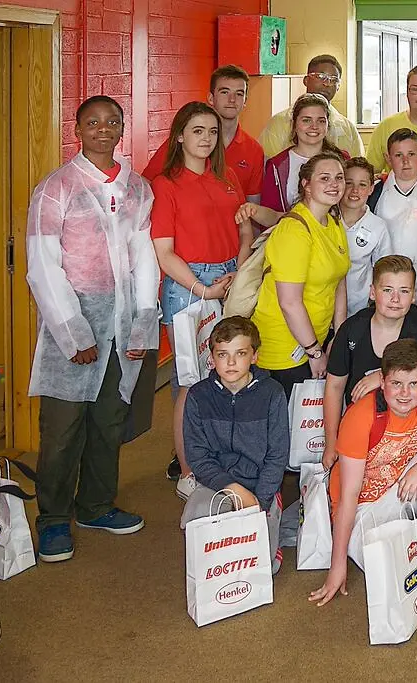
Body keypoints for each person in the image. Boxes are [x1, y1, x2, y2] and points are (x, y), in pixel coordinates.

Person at [27, 95, 159, 562]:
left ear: (122, 128)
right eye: (92, 122)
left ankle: (96, 505)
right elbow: (43, 266)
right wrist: (73, 332)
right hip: (77, 325)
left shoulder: (137, 188)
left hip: (122, 326)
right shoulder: (57, 188)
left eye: (112, 122)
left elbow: (144, 258)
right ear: (78, 129)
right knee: (62, 429)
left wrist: (143, 324)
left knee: (108, 421)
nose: (103, 129)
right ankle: (53, 519)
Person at [309, 339, 417, 606]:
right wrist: (337, 565)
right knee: (394, 572)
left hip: (401, 492)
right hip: (363, 510)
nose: (404, 393)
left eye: (413, 384)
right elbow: (349, 496)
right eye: (396, 383)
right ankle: (404, 542)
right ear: (382, 381)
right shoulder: (361, 415)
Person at [151, 101, 254, 500]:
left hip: (228, 280)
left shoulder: (227, 179)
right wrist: (203, 288)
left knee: (226, 374)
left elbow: (244, 233)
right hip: (188, 287)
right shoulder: (167, 184)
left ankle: (218, 456)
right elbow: (164, 252)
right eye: (197, 131)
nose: (207, 139)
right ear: (179, 135)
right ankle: (190, 469)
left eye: (212, 132)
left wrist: (237, 277)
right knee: (190, 384)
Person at [180, 316, 288, 574]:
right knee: (196, 523)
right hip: (217, 482)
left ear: (254, 357)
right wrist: (233, 489)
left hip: (260, 482)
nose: (230, 363)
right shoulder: (198, 396)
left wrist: (259, 499)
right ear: (212, 357)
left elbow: (277, 456)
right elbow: (197, 455)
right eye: (222, 354)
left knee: (264, 567)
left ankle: (274, 518)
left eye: (240, 353)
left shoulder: (272, 393)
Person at [322, 256, 417, 466]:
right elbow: (334, 387)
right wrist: (331, 441)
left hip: (409, 435)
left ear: (414, 295)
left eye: (404, 291)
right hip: (360, 433)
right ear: (373, 292)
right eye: (387, 290)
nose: (395, 299)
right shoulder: (353, 329)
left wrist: (381, 379)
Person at [250, 151, 351, 397]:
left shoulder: (333, 223)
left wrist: (338, 336)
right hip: (285, 346)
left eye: (339, 178)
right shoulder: (294, 230)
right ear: (306, 184)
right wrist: (314, 351)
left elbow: (339, 282)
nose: (334, 184)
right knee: (286, 425)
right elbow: (289, 302)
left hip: (315, 338)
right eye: (324, 178)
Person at [143, 64, 265, 203]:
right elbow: (146, 184)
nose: (232, 99)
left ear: (245, 101)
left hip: (231, 223)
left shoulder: (254, 150)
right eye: (225, 92)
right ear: (211, 98)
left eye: (239, 93)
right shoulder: (185, 142)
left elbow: (253, 206)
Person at [369, 128, 417, 314]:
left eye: (411, 154)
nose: (406, 161)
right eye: (398, 155)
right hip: (385, 290)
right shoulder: (376, 192)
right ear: (388, 159)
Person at [259, 94, 347, 218]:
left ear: (328, 125)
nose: (314, 126)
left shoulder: (342, 160)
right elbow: (269, 214)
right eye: (306, 120)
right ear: (294, 125)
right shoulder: (277, 166)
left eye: (321, 121)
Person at [259, 53, 364, 159]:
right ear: (306, 80)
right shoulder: (280, 122)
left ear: (338, 86)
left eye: (333, 80)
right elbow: (269, 166)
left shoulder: (348, 128)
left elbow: (358, 169)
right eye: (320, 77)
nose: (326, 84)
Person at [341, 157, 393, 316]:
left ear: (371, 188)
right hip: (320, 307)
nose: (355, 190)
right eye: (349, 183)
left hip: (357, 309)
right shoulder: (325, 218)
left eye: (362, 185)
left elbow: (383, 271)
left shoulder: (377, 226)